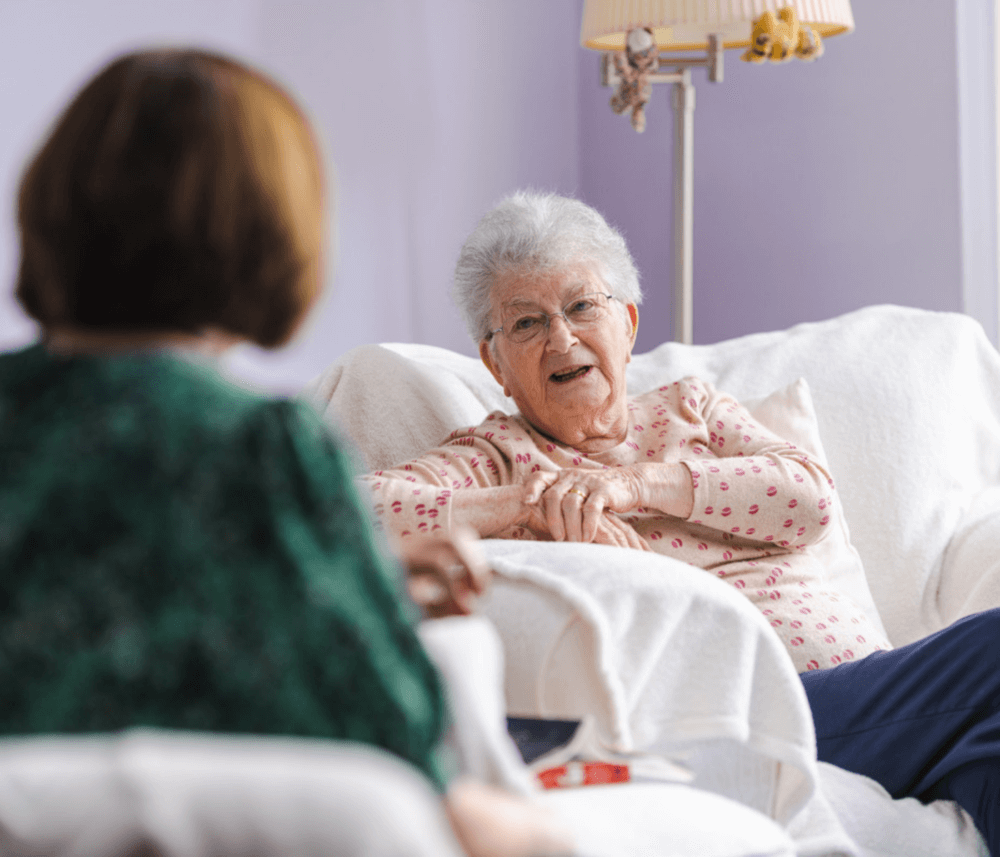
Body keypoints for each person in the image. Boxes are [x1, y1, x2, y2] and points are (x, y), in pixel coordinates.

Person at [0, 49, 571, 857]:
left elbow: (87, 582)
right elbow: (386, 734)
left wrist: (340, 573)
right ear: (267, 229)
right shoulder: (262, 451)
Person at [361, 190, 1000, 856]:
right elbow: (360, 510)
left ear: (628, 324)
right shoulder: (496, 457)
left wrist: (643, 484)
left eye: (582, 306)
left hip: (874, 688)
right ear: (496, 364)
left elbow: (807, 497)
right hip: (745, 706)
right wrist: (525, 499)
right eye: (526, 323)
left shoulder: (691, 407)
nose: (562, 336)